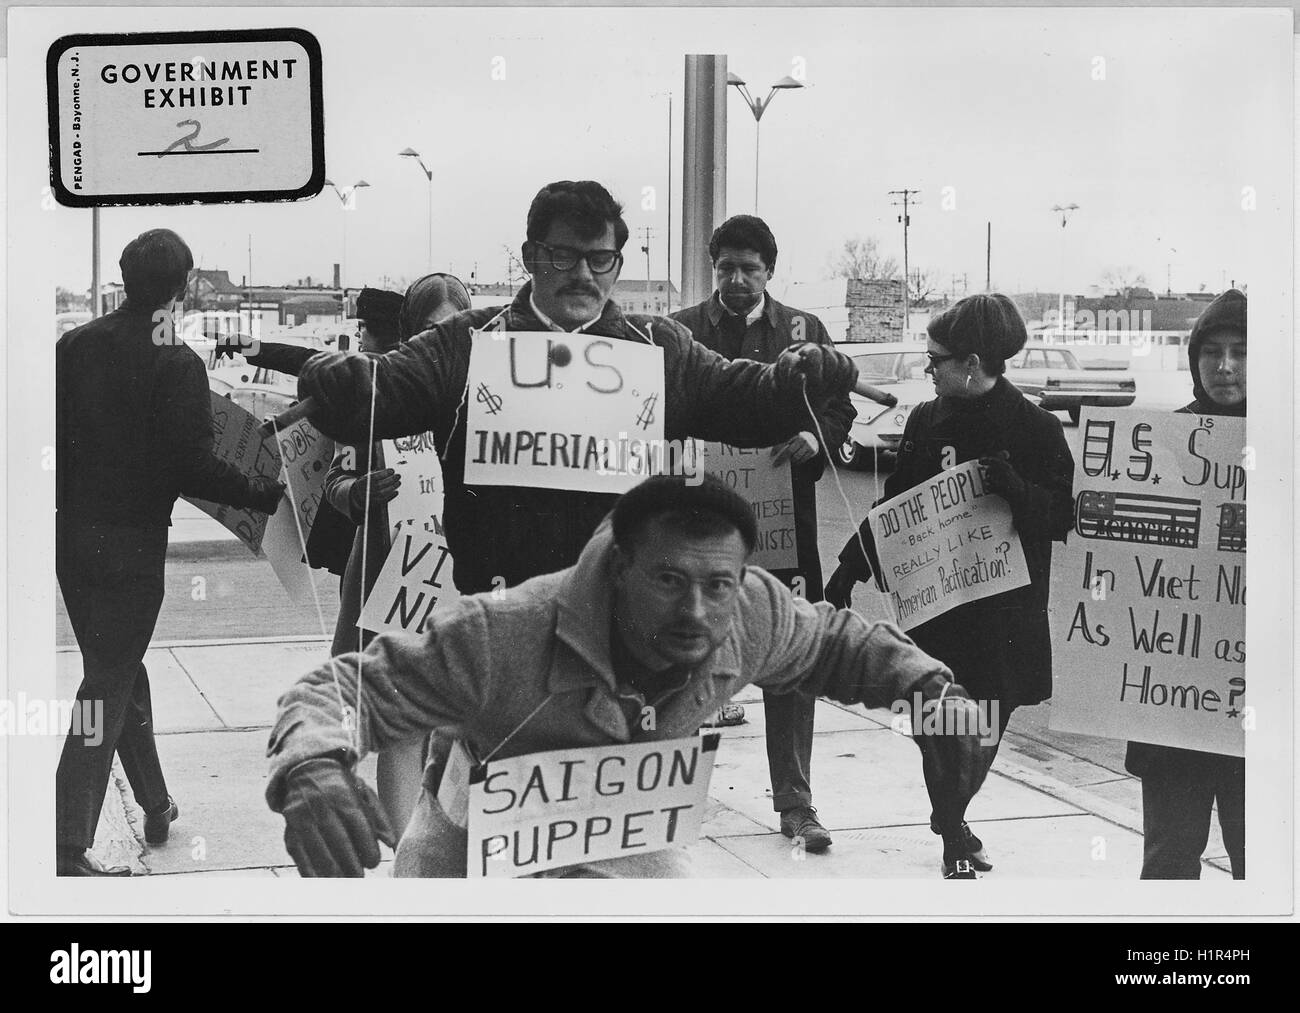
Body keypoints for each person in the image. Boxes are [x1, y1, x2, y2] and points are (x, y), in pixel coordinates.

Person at [265, 475, 989, 877]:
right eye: (670, 579)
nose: (698, 611)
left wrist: (933, 691)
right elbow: (339, 689)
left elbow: (839, 643)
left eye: (719, 583)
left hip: (626, 838)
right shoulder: (502, 632)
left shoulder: (753, 612)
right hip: (469, 842)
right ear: (619, 569)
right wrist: (311, 768)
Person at [294, 180, 858, 598]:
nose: (583, 274)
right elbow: (377, 396)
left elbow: (746, 399)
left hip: (623, 617)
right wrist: (329, 374)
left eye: (600, 258)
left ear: (616, 263)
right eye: (564, 255)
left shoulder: (660, 347)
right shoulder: (468, 342)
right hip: (498, 614)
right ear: (531, 256)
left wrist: (800, 377)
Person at [56, 228, 284, 876]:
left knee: (116, 667)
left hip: (71, 539)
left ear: (125, 279)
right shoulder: (176, 362)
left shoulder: (72, 345)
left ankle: (155, 803)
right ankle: (65, 840)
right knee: (106, 681)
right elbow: (194, 467)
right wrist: (262, 492)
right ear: (182, 288)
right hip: (130, 545)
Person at [825, 293, 1074, 879]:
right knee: (938, 727)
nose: (927, 369)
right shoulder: (924, 419)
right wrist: (847, 571)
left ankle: (951, 812)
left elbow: (1061, 518)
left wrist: (1016, 488)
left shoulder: (1034, 428)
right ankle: (954, 830)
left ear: (971, 362)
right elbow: (897, 512)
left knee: (983, 728)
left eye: (935, 359)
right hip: (937, 612)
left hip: (1005, 616)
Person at [671, 215, 853, 853]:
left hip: (784, 528)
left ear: (770, 271)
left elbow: (840, 404)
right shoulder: (681, 331)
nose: (739, 280)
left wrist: (818, 435)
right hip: (699, 527)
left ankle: (796, 805)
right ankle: (671, 800)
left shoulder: (805, 332)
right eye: (727, 268)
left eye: (751, 268)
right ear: (712, 267)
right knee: (685, 658)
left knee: (793, 656)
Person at [323, 280, 469, 833]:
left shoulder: (485, 398)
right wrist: (359, 490)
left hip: (465, 584)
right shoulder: (384, 395)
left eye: (454, 327)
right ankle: (409, 863)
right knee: (404, 724)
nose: (444, 340)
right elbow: (337, 478)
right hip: (395, 579)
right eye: (432, 329)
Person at [1125, 288, 1246, 880]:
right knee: (1171, 857)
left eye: (1242, 352)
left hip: (1264, 703)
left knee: (1268, 860)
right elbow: (1121, 568)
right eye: (1212, 352)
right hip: (1174, 700)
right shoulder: (1159, 446)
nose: (1225, 366)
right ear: (1194, 360)